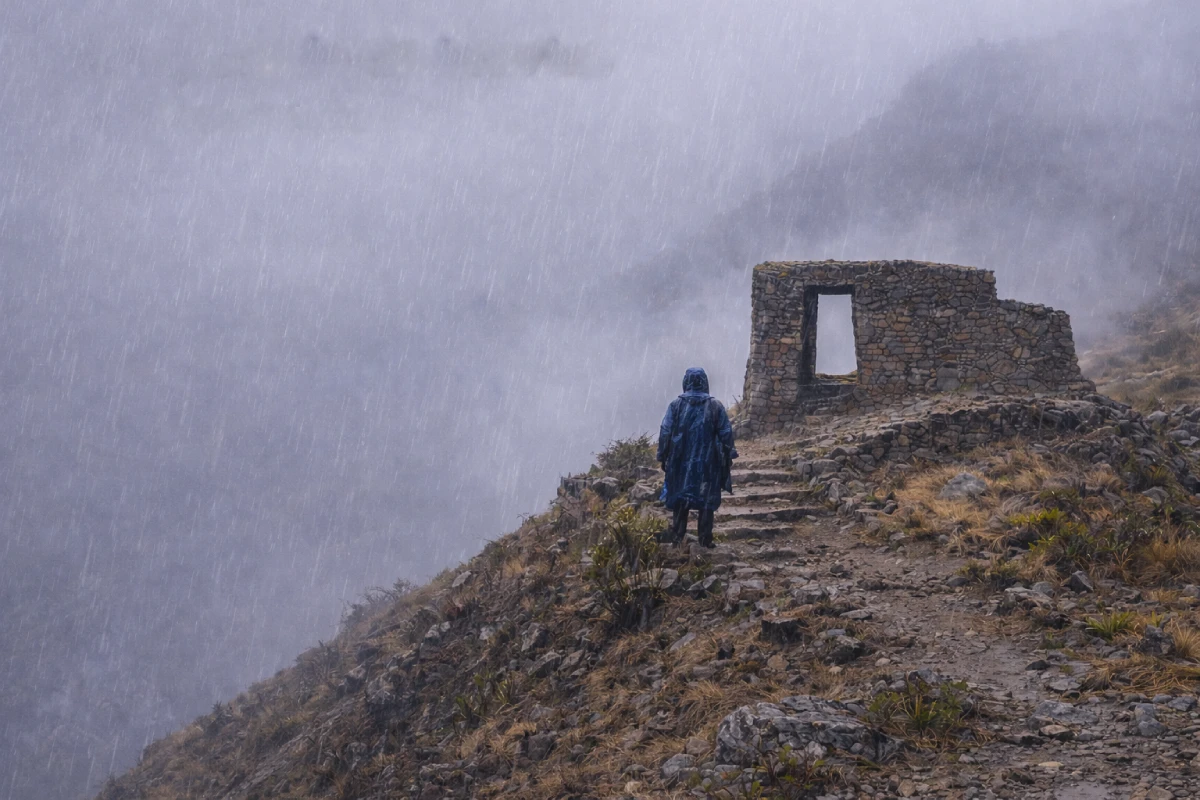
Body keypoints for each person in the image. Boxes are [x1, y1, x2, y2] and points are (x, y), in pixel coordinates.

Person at [656, 367, 737, 547]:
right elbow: (725, 432)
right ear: (704, 382)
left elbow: (665, 431)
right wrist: (729, 453)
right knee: (706, 500)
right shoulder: (715, 406)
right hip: (707, 461)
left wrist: (662, 455)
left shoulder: (675, 406)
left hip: (680, 460)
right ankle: (705, 540)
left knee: (681, 495)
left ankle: (678, 538)